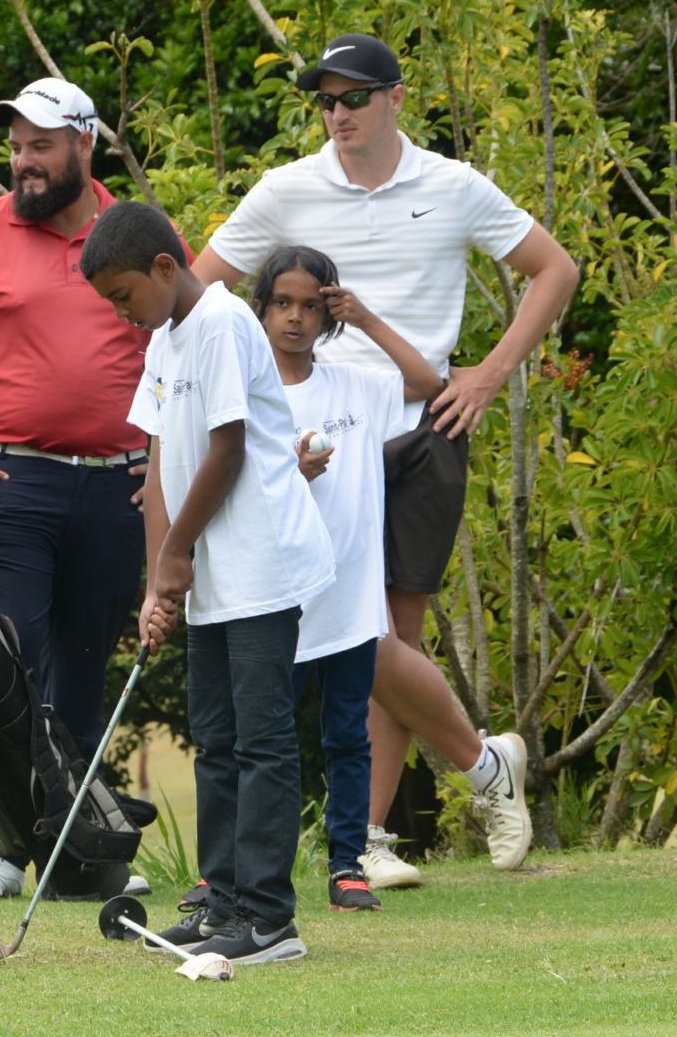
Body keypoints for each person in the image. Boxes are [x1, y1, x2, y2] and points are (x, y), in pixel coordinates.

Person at [193, 33, 580, 885]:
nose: (339, 115)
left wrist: (489, 372)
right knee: (361, 642)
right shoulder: (286, 189)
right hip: (323, 442)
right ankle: (484, 766)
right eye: (326, 101)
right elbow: (198, 286)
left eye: (355, 98)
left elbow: (554, 269)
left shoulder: (450, 185)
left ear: (396, 99)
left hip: (425, 426)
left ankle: (364, 838)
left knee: (387, 639)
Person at [83, 199, 336, 965]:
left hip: (261, 562)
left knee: (262, 743)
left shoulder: (225, 323)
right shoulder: (164, 341)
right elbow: (161, 462)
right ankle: (223, 901)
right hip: (209, 576)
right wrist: (159, 579)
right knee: (218, 742)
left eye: (125, 296)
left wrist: (179, 553)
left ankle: (268, 921)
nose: (124, 315)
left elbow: (226, 449)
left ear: (165, 267)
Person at [0, 78, 156, 900]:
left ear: (84, 146)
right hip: (8, 481)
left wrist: (163, 463)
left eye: (40, 146)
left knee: (81, 676)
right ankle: (2, 848)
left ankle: (74, 850)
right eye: (16, 147)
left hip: (114, 486)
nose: (22, 162)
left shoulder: (135, 230)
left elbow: (177, 344)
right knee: (4, 663)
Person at [251, 245, 442, 912]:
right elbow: (232, 487)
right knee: (266, 740)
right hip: (274, 596)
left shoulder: (354, 386)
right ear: (262, 308)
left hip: (349, 601)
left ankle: (346, 867)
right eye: (282, 304)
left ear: (327, 314)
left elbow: (428, 382)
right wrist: (288, 479)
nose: (295, 319)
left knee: (347, 735)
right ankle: (250, 873)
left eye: (310, 306)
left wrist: (364, 320)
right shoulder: (249, 393)